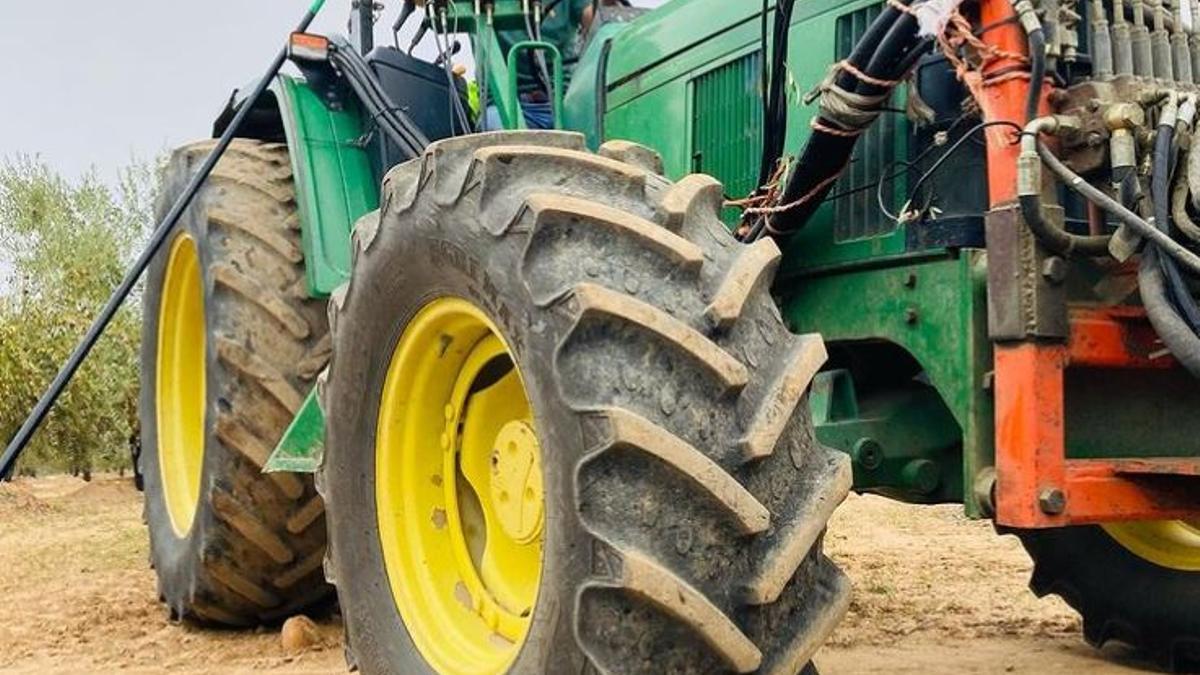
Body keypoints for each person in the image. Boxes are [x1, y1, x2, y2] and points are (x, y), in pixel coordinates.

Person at [484, 0, 604, 130]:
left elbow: (595, 19)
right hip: (505, 103)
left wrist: (606, 7)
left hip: (562, 100)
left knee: (600, 129)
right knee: (503, 140)